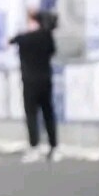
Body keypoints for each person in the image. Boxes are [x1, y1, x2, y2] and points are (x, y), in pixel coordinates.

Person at [9, 9, 59, 163]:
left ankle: (34, 146)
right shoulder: (47, 37)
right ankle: (53, 146)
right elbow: (53, 51)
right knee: (48, 114)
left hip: (29, 82)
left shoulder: (24, 38)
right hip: (45, 81)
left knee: (31, 115)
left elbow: (11, 41)